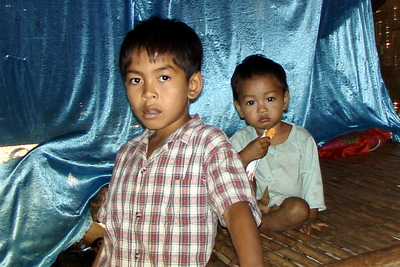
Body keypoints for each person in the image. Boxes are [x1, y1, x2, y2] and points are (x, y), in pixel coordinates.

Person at [93, 18, 264, 266]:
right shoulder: (127, 154)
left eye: (163, 77)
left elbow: (237, 210)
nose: (147, 92)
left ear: (192, 85)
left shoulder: (208, 144)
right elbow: (112, 239)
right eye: (136, 80)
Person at [230, 55, 327, 235]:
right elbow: (224, 174)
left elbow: (311, 179)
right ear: (240, 108)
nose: (262, 109)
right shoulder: (240, 139)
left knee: (299, 209)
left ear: (285, 100)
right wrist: (245, 156)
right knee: (233, 203)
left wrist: (312, 217)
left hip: (285, 205)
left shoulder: (302, 139)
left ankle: (258, 226)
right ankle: (254, 222)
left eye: (270, 99)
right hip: (251, 207)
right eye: (251, 102)